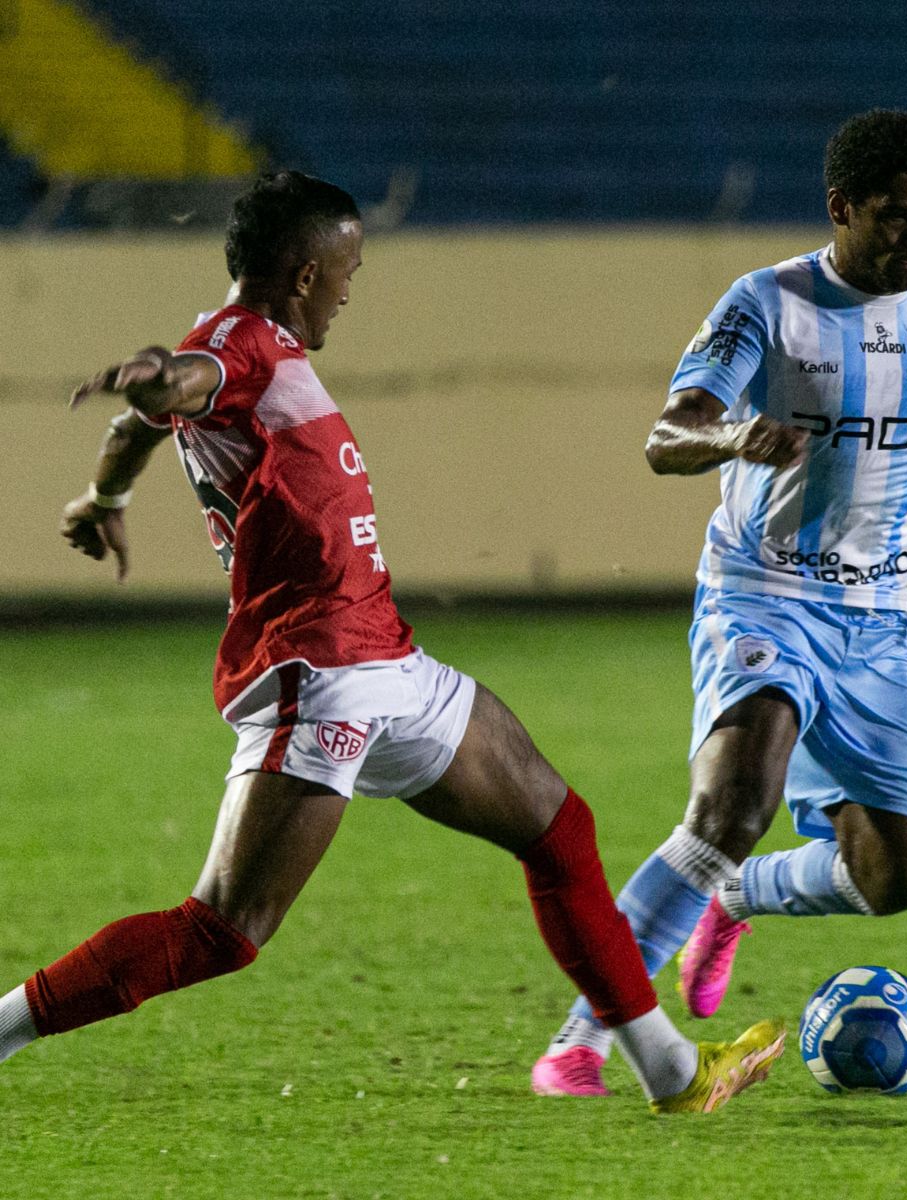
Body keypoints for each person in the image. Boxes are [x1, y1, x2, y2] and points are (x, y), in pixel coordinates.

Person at [0, 170, 787, 1114]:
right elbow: (178, 379)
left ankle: (669, 1072)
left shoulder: (257, 348)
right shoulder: (243, 341)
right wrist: (156, 373)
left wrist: (108, 495)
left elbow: (150, 414)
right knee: (223, 929)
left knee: (558, 829)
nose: (348, 288)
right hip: (324, 671)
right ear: (301, 273)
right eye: (346, 271)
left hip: (386, 662)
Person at [531, 109, 907, 1096]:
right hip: (762, 595)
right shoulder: (769, 304)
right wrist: (733, 438)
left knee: (898, 874)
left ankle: (737, 896)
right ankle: (581, 1039)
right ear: (841, 209)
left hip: (876, 623)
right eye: (892, 216)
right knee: (732, 802)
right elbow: (669, 434)